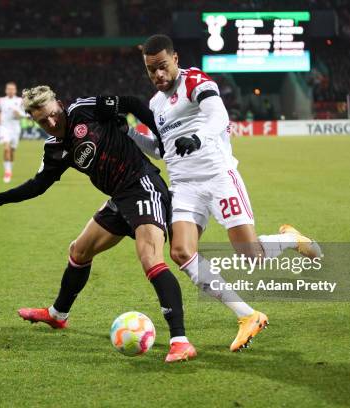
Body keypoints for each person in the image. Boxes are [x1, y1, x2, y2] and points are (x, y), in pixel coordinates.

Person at [0, 85, 197, 363]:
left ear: (59, 105)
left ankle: (180, 341)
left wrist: (162, 137)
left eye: (52, 114)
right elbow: (38, 185)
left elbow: (132, 102)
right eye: (42, 121)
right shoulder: (54, 149)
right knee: (79, 251)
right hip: (118, 199)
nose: (51, 123)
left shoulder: (83, 109)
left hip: (140, 184)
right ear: (34, 121)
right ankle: (57, 315)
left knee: (150, 257)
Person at [124, 34, 322, 351]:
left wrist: (198, 138)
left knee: (249, 254)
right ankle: (247, 315)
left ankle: (289, 239)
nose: (158, 75)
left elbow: (219, 115)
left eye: (162, 67)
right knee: (180, 253)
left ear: (175, 59)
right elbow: (160, 151)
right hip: (184, 187)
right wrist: (130, 134)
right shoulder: (155, 105)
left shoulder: (195, 81)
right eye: (151, 71)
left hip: (218, 177)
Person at [0, 82, 26, 183]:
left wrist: (19, 114)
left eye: (12, 89)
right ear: (6, 90)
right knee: (6, 149)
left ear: (15, 90)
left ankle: (10, 168)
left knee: (12, 151)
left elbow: (25, 114)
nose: (10, 90)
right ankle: (7, 172)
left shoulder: (20, 101)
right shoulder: (1, 100)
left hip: (15, 129)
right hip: (4, 128)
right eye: (9, 89)